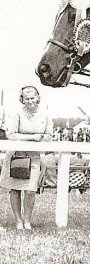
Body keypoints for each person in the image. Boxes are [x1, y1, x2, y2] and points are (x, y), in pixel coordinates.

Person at [0, 86, 53, 230]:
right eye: (26, 98)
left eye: (32, 98)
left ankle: (27, 221)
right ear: (22, 99)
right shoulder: (16, 113)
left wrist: (38, 140)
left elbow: (48, 136)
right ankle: (18, 221)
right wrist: (34, 137)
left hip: (34, 156)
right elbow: (11, 134)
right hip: (16, 156)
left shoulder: (46, 114)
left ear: (37, 98)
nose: (30, 101)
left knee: (30, 190)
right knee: (15, 190)